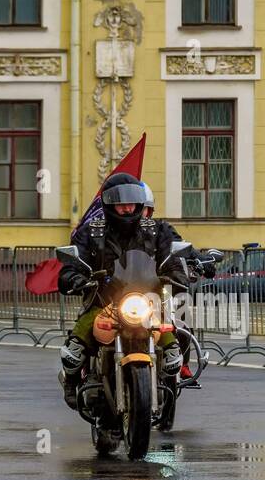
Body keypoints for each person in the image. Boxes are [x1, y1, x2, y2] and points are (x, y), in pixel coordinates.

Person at [57, 172, 188, 409]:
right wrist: (73, 277)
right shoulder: (92, 232)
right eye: (121, 203)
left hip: (147, 301)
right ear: (109, 204)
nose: (128, 208)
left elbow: (173, 255)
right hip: (103, 301)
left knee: (171, 336)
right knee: (77, 344)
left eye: (131, 202)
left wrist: (179, 272)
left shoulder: (157, 230)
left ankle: (169, 372)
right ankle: (71, 380)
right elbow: (73, 263)